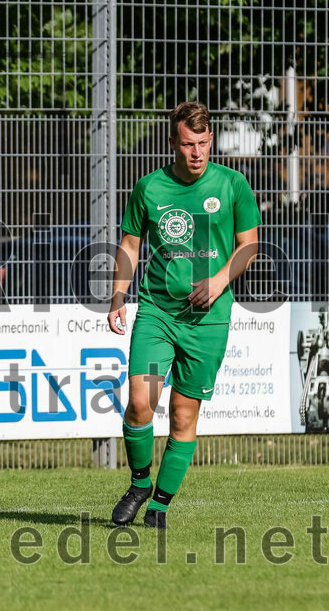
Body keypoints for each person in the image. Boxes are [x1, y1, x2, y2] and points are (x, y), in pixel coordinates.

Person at [108, 102, 260, 529]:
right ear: (173, 142)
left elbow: (248, 245)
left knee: (183, 415)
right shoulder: (150, 188)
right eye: (188, 144)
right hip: (158, 314)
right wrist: (119, 295)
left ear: (211, 139)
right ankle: (139, 483)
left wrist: (218, 280)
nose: (197, 153)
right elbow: (131, 246)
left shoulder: (232, 184)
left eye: (203, 143)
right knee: (140, 402)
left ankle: (159, 505)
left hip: (207, 322)